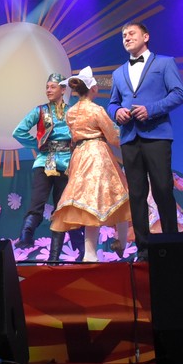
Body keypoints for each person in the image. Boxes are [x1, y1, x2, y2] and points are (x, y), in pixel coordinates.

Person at [108, 22, 183, 260]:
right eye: (123, 35)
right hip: (129, 137)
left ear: (146, 36)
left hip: (157, 135)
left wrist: (151, 109)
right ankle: (144, 249)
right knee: (137, 194)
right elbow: (112, 103)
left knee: (163, 188)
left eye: (131, 33)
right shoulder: (118, 72)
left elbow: (178, 94)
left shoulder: (164, 63)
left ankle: (171, 244)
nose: (126, 38)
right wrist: (117, 112)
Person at [51, 67, 131, 261]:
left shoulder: (70, 112)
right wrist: (129, 133)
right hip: (97, 154)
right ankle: (121, 241)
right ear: (93, 88)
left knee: (88, 201)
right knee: (118, 194)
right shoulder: (96, 110)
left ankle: (90, 253)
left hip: (79, 155)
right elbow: (113, 136)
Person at [13, 72, 84, 263]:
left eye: (52, 87)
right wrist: (37, 144)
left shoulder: (72, 111)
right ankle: (26, 235)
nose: (48, 90)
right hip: (46, 160)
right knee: (37, 202)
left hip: (66, 163)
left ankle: (54, 257)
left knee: (62, 209)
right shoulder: (40, 111)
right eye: (47, 87)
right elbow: (18, 132)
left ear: (63, 89)